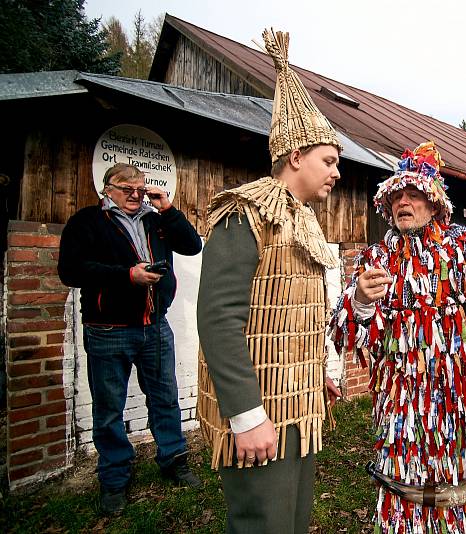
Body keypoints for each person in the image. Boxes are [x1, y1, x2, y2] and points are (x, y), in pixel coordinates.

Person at [328, 142, 466, 534]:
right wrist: (359, 300)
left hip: (464, 402)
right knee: (408, 491)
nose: (403, 203)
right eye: (397, 196)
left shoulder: (464, 249)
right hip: (403, 407)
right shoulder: (374, 259)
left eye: (413, 195)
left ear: (434, 204)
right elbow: (348, 333)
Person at [196, 29, 342, 534]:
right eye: (329, 160)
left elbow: (296, 311)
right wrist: (245, 414)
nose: (337, 172)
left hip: (297, 407)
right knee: (264, 524)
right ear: (295, 156)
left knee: (292, 522)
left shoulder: (303, 219)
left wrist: (318, 371)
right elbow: (218, 319)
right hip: (260, 413)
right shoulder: (245, 214)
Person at [58, 162, 203, 515]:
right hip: (108, 329)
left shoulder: (156, 220)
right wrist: (127, 276)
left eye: (141, 189)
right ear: (108, 189)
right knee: (109, 410)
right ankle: (114, 479)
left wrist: (168, 209)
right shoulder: (87, 221)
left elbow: (192, 245)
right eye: (128, 189)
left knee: (166, 398)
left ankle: (173, 460)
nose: (136, 195)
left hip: (154, 325)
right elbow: (71, 270)